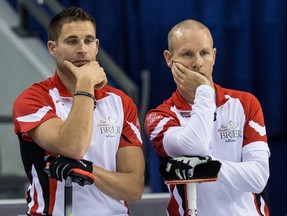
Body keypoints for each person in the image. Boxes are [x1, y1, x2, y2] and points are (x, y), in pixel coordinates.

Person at [13, 7, 145, 216]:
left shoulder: (121, 102)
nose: (82, 49)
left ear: (97, 46)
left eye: (89, 40)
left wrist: (90, 171)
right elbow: (73, 147)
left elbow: (134, 189)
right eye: (72, 41)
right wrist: (85, 83)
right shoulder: (33, 99)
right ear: (52, 48)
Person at [144, 19, 270, 216]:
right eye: (187, 54)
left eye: (204, 53)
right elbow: (196, 145)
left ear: (214, 55)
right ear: (169, 59)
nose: (197, 63)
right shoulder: (159, 116)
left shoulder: (245, 103)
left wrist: (212, 167)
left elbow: (258, 177)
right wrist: (203, 91)